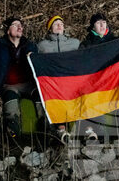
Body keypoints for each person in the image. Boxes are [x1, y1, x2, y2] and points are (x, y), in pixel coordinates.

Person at [0, 14, 40, 135]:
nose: (20, 27)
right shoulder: (0, 45)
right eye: (16, 25)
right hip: (9, 85)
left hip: (28, 84)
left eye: (21, 25)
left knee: (40, 97)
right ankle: (13, 132)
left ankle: (46, 127)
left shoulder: (29, 45)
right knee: (10, 102)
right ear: (8, 30)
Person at [36, 15, 81, 143]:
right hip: (54, 82)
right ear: (50, 29)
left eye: (61, 23)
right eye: (55, 24)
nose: (59, 25)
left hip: (72, 80)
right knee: (55, 95)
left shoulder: (75, 43)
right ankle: (61, 129)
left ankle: (87, 129)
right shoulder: (42, 46)